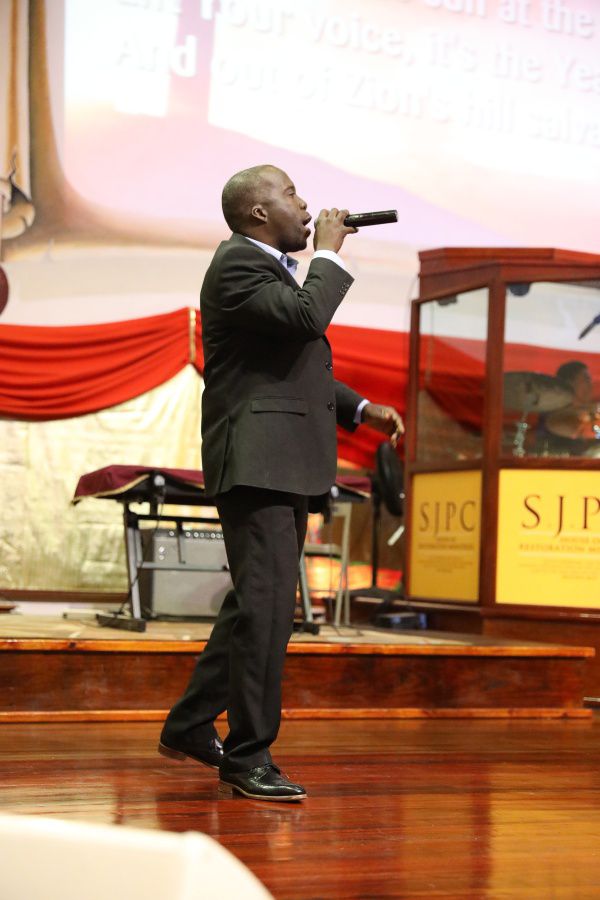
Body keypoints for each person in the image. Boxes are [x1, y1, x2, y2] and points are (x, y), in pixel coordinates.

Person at [158, 165, 404, 802]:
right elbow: (305, 318)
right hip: (258, 462)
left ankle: (189, 724)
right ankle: (249, 757)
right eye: (291, 194)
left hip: (279, 461)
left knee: (256, 606)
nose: (307, 204)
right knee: (267, 613)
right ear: (259, 213)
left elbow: (289, 364)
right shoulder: (237, 265)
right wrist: (329, 253)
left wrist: (359, 407)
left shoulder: (266, 271)